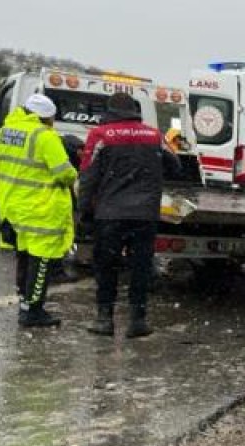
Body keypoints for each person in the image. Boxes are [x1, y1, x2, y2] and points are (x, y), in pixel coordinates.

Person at [78, 91, 177, 338]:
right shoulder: (154, 135)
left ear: (109, 111)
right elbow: (175, 165)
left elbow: (88, 176)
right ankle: (137, 320)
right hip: (145, 214)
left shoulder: (100, 135)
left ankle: (105, 319)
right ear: (134, 110)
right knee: (140, 267)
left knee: (106, 267)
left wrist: (82, 212)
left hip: (110, 213)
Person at [0, 93, 77, 327]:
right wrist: (74, 172)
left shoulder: (5, 132)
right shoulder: (45, 136)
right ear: (46, 117)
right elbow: (65, 173)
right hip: (40, 209)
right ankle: (33, 311)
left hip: (13, 206)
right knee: (41, 262)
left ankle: (24, 304)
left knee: (24, 257)